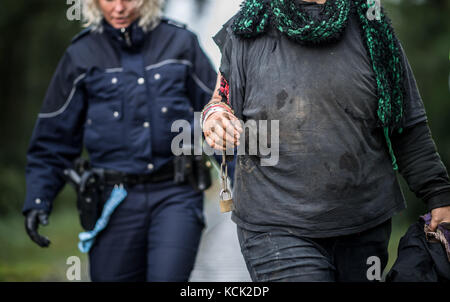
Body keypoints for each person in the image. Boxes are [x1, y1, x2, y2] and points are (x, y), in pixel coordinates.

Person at [201, 0, 450, 282]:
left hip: (365, 224)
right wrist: (214, 116)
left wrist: (438, 195)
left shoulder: (372, 24)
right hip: (275, 226)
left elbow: (406, 123)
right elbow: (221, 99)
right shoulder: (248, 24)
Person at [23, 0, 218, 282]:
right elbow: (53, 139)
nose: (119, 7)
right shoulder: (80, 55)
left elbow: (220, 117)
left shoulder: (182, 43)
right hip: (111, 201)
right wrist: (38, 199)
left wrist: (245, 188)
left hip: (176, 194)